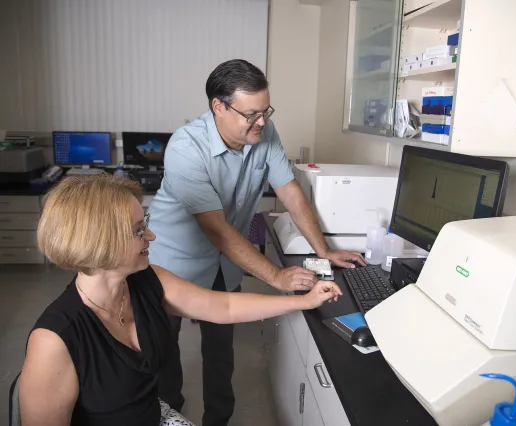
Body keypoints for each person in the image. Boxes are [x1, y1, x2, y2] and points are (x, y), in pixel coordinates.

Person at [19, 174, 342, 426]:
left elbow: (223, 306)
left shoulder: (148, 280)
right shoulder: (54, 340)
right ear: (99, 240)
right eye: (138, 231)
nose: (152, 236)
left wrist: (302, 301)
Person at [148, 58, 366, 426]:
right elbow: (215, 228)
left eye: (265, 111)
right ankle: (169, 410)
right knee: (163, 349)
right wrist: (276, 277)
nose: (261, 122)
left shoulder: (264, 133)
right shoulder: (186, 147)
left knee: (221, 351)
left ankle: (217, 419)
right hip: (174, 260)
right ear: (219, 106)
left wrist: (323, 249)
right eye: (251, 114)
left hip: (225, 260)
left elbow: (291, 192)